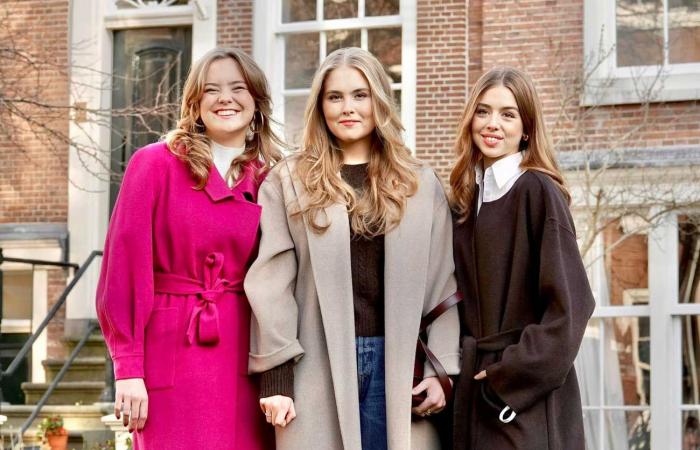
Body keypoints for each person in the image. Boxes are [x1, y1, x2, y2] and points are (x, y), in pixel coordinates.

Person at [244, 47, 461, 450]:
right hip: (315, 365)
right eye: (335, 96)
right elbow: (271, 286)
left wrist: (440, 368)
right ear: (320, 106)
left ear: (378, 99)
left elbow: (442, 284)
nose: (348, 107)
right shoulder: (289, 181)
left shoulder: (419, 183)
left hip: (399, 369)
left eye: (360, 95)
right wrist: (277, 379)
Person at [96, 47, 281, 450]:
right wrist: (128, 368)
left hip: (245, 355)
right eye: (211, 89)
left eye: (238, 88)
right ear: (195, 103)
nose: (225, 98)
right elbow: (124, 268)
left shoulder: (272, 179)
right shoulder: (155, 164)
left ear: (257, 101)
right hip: (170, 351)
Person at [448, 67, 595, 450]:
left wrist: (507, 378)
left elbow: (572, 307)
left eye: (507, 114)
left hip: (521, 400)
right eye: (483, 111)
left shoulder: (537, 190)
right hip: (471, 394)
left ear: (526, 128)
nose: (492, 124)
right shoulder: (465, 199)